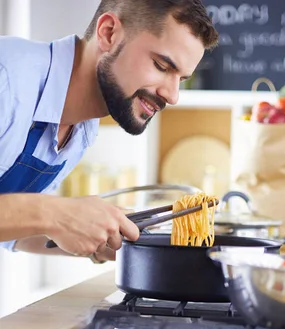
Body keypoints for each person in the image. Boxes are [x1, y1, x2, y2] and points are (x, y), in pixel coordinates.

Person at [0, 0, 218, 262]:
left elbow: (14, 227)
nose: (172, 96)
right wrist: (55, 213)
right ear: (108, 33)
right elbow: (40, 214)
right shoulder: (7, 77)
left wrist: (101, 231)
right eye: (162, 66)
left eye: (181, 79)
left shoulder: (81, 126)